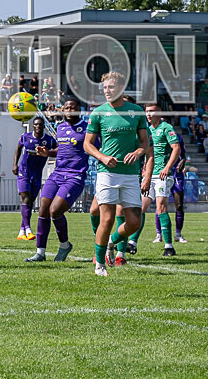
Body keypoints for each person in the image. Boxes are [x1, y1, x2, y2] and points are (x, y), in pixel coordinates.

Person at [84, 71, 151, 276]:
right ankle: (99, 265)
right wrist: (103, 157)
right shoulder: (98, 113)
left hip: (130, 174)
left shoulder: (136, 111)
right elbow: (87, 144)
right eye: (104, 88)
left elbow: (145, 143)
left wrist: (138, 152)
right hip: (107, 173)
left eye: (111, 87)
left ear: (121, 88)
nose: (107, 91)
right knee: (107, 218)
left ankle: (112, 242)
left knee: (134, 222)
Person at [24, 99, 87, 262]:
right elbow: (62, 149)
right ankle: (40, 253)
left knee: (55, 210)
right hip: (57, 173)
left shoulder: (87, 128)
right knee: (43, 209)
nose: (69, 109)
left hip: (75, 175)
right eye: (66, 107)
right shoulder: (61, 127)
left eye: (73, 107)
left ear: (79, 110)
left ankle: (64, 245)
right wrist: (48, 152)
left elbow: (95, 146)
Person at [143, 104, 182, 257]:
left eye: (151, 111)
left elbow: (176, 148)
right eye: (146, 111)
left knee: (161, 208)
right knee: (140, 208)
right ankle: (132, 243)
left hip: (162, 176)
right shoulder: (145, 130)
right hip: (148, 175)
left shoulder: (166, 127)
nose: (148, 114)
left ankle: (169, 246)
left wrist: (167, 167)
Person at [13, 116, 57, 241]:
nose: (38, 126)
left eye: (40, 125)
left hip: (37, 174)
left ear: (44, 126)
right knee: (25, 198)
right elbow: (18, 148)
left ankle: (22, 231)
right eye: (36, 124)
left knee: (30, 202)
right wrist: (14, 164)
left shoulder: (48, 140)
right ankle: (28, 229)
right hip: (24, 172)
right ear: (33, 126)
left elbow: (59, 149)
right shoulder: (25, 137)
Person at [170, 134, 188, 244]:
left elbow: (183, 155)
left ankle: (178, 234)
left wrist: (183, 161)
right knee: (160, 204)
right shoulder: (155, 133)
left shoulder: (178, 137)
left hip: (177, 174)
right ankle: (159, 234)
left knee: (179, 205)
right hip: (162, 172)